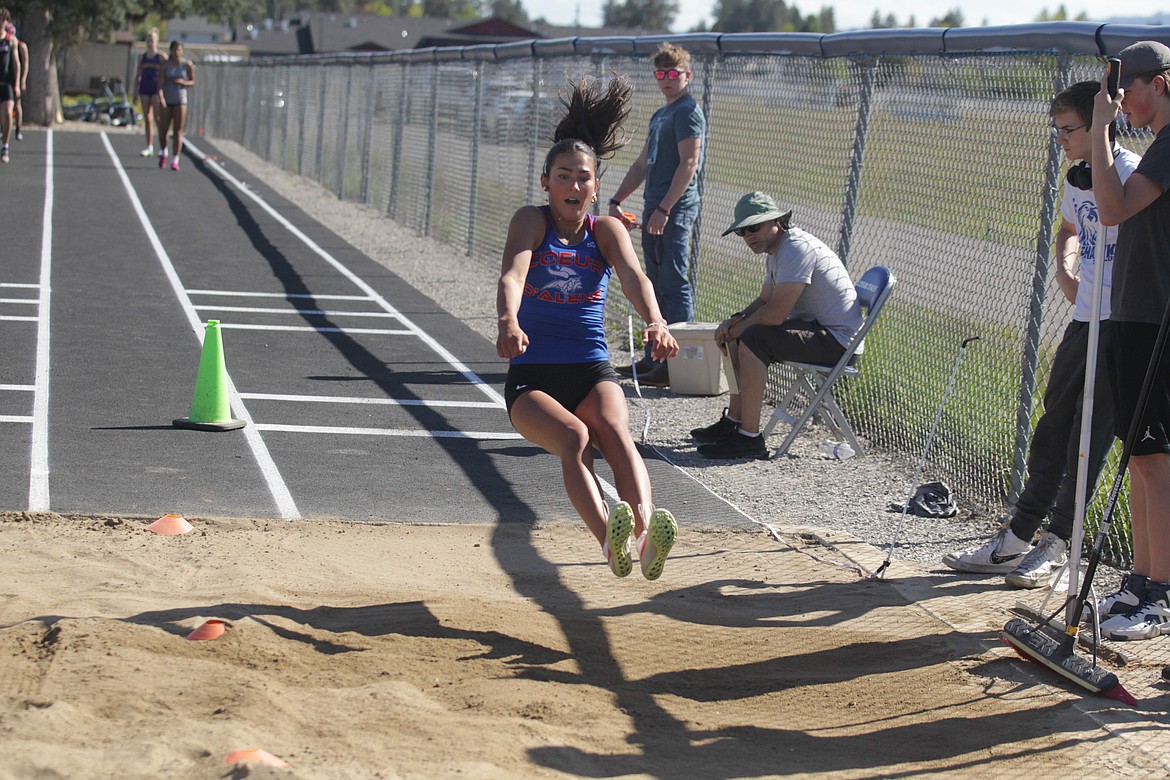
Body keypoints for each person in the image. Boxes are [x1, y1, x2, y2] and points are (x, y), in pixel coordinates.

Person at [943, 81, 1140, 589]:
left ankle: (1058, 544)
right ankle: (1017, 537)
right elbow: (1070, 230)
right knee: (1052, 429)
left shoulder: (1132, 175)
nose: (1061, 140)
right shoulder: (1077, 178)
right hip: (1083, 321)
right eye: (1056, 131)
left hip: (1122, 328)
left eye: (1069, 129)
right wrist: (1066, 271)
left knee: (1089, 438)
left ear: (1101, 124)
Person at [496, 74, 681, 580]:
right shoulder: (531, 222)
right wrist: (508, 320)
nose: (574, 186)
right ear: (545, 182)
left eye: (583, 177)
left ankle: (645, 536)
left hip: (590, 365)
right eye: (563, 176)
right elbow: (514, 273)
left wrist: (656, 322)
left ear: (597, 185)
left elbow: (634, 277)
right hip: (532, 372)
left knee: (615, 432)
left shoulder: (606, 230)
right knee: (576, 438)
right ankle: (609, 540)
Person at [1090, 40, 1170, 641]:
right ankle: (1141, 579)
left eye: (1129, 88)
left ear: (1160, 82)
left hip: (1156, 318)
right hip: (1137, 314)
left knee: (1154, 458)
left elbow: (1112, 209)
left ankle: (1159, 591)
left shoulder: (1168, 148)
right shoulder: (1156, 149)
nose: (1124, 100)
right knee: (1141, 459)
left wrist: (1100, 129)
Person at [691, 192, 862, 461]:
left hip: (838, 344)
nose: (748, 236)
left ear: (777, 221)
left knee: (754, 338)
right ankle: (735, 422)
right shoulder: (777, 250)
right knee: (737, 335)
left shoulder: (796, 248)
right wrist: (733, 322)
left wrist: (739, 328)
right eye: (742, 232)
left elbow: (775, 314)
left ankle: (750, 439)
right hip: (819, 331)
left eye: (754, 227)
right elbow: (764, 300)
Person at [608, 43, 705, 388]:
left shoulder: (687, 112)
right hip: (653, 207)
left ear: (686, 76)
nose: (666, 80)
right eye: (660, 74)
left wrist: (665, 208)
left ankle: (674, 362)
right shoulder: (660, 114)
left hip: (673, 209)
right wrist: (617, 199)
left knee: (673, 282)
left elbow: (689, 163)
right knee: (652, 282)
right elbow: (641, 165)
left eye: (673, 74)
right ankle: (653, 357)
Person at [158, 40, 195, 172]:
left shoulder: (186, 65)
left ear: (182, 51)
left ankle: (175, 160)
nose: (177, 53)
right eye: (174, 50)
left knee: (178, 130)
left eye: (179, 50)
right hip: (167, 99)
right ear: (171, 50)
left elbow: (192, 81)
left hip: (180, 99)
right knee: (163, 130)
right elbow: (160, 82)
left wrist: (183, 83)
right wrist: (161, 97)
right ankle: (164, 152)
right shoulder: (165, 65)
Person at [134, 28, 165, 157]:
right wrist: (135, 92)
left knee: (158, 118)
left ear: (156, 41)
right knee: (147, 117)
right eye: (148, 40)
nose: (150, 42)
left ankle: (163, 146)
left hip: (156, 89)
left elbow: (165, 74)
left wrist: (163, 91)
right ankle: (149, 146)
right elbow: (137, 75)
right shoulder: (142, 57)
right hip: (144, 88)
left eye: (152, 40)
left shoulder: (161, 57)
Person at [0, 11, 19, 164]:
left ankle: (5, 146)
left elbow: (17, 63)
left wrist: (18, 83)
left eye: (2, 20)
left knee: (7, 113)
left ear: (6, 22)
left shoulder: (10, 40)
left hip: (6, 83)